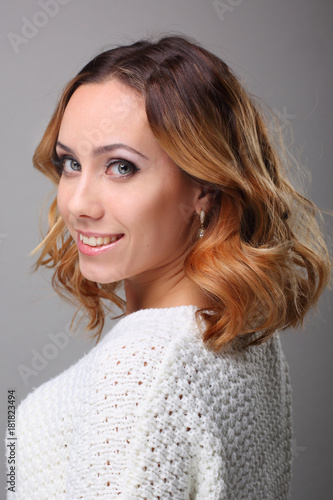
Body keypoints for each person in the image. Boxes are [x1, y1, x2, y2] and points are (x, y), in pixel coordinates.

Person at [12, 35, 330, 499]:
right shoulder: (241, 331)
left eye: (121, 167)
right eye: (70, 163)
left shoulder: (140, 368)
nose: (77, 203)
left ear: (204, 185)